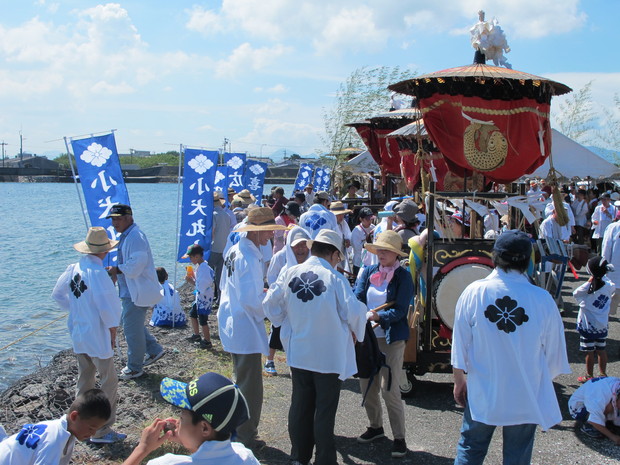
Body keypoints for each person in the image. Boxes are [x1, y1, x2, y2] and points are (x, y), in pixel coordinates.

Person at [452, 230, 570, 465]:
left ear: (494, 257)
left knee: (471, 447)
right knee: (517, 455)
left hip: (484, 388)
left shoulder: (474, 292)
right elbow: (555, 354)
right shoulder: (542, 299)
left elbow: (459, 345)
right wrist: (535, 377)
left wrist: (459, 380)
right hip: (525, 391)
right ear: (528, 260)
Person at [264, 229, 367, 465]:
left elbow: (269, 303)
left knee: (300, 406)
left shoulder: (290, 272)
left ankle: (298, 457)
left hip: (299, 351)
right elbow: (353, 313)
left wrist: (283, 321)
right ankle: (324, 460)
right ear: (332, 253)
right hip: (328, 356)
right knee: (324, 411)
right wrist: (364, 317)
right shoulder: (335, 278)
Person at [217, 207, 287, 449]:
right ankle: (245, 436)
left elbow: (225, 285)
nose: (270, 236)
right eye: (268, 231)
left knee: (241, 379)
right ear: (258, 231)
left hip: (232, 318)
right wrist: (271, 306)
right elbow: (252, 300)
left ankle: (237, 430)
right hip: (243, 323)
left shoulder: (236, 250)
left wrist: (261, 297)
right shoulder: (248, 256)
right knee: (250, 386)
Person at [51, 227, 124, 443]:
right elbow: (108, 308)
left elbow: (57, 295)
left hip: (79, 332)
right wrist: (113, 332)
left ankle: (75, 426)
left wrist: (76, 308)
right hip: (98, 335)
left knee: (84, 381)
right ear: (104, 251)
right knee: (108, 382)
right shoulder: (98, 273)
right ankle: (102, 430)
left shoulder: (74, 268)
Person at [354, 231, 413, 459]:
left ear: (396, 254)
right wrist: (359, 313)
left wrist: (379, 317)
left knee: (390, 390)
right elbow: (357, 296)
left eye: (386, 250)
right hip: (367, 338)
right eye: (379, 249)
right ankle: (375, 427)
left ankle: (399, 438)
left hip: (391, 339)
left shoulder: (403, 277)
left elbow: (400, 310)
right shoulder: (368, 271)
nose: (381, 253)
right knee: (366, 385)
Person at [121, 372, 260, 465]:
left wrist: (142, 449)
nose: (177, 422)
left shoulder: (167, 463)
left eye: (181, 417)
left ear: (204, 428)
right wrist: (190, 439)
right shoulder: (246, 457)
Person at [106, 204, 165, 380]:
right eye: (113, 219)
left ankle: (134, 367)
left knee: (132, 330)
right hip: (131, 290)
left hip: (135, 291)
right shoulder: (129, 235)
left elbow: (136, 266)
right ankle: (154, 350)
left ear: (129, 218)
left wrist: (117, 270)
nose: (115, 222)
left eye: (118, 218)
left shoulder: (135, 237)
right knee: (132, 325)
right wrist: (118, 271)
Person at [0, 389, 111, 465]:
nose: (93, 433)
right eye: (91, 428)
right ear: (74, 416)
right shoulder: (54, 440)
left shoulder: (60, 430)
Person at [264, 226, 311, 376]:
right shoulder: (286, 271)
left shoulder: (317, 268)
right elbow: (270, 301)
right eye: (296, 245)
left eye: (304, 244)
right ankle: (269, 361)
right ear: (290, 247)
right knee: (298, 373)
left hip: (312, 327)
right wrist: (281, 319)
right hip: (292, 327)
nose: (301, 249)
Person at [574, 256, 616, 382]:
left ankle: (589, 375)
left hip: (588, 325)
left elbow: (576, 293)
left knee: (589, 351)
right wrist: (603, 274)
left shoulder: (587, 289)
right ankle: (603, 373)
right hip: (601, 325)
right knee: (601, 349)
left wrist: (588, 281)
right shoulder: (609, 286)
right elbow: (610, 283)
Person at [568, 376, 620, 442]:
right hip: (579, 407)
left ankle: (604, 420)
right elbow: (594, 419)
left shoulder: (616, 386)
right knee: (608, 408)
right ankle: (589, 426)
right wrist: (613, 437)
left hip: (597, 399)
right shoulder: (601, 396)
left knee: (611, 406)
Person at [183, 244, 215, 350]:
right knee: (192, 314)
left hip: (204, 298)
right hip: (200, 297)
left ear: (197, 256)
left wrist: (191, 281)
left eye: (191, 257)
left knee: (203, 320)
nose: (190, 259)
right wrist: (192, 276)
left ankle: (207, 341)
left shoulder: (204, 269)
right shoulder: (201, 266)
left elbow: (202, 286)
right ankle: (196, 335)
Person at [210, 191, 232, 301]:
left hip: (214, 248)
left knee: (208, 273)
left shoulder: (213, 215)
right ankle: (220, 298)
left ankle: (207, 297)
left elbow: (212, 231)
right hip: (224, 248)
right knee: (220, 275)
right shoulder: (226, 215)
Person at [602, 217, 620, 316]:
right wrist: (604, 267)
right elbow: (606, 249)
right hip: (615, 272)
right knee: (608, 304)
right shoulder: (614, 227)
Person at [350, 207, 376, 276]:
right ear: (361, 219)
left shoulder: (373, 227)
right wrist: (367, 243)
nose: (370, 221)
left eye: (371, 219)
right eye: (367, 219)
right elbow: (357, 247)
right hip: (359, 262)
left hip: (371, 261)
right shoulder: (356, 230)